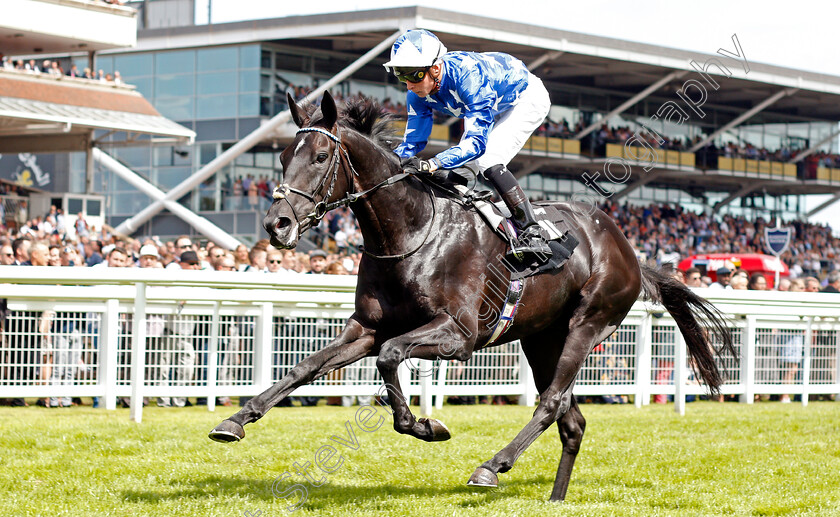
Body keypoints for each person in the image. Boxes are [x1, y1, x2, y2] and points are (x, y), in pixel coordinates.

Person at [385, 29, 552, 262]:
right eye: (400, 76)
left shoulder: (469, 77)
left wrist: (434, 163)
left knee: (487, 158)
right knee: (459, 171)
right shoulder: (417, 93)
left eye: (412, 76)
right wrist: (389, 164)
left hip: (525, 97)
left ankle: (533, 232)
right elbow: (412, 142)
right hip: (495, 103)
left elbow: (475, 144)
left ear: (435, 68)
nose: (408, 85)